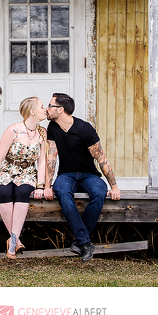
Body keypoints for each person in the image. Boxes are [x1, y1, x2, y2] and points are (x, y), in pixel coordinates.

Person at [43, 93, 121, 262]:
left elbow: (101, 159)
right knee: (62, 192)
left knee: (100, 191)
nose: (46, 109)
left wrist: (114, 186)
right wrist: (47, 186)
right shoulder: (53, 128)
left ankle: (80, 241)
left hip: (88, 175)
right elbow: (51, 158)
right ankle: (85, 243)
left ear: (60, 110)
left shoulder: (85, 129)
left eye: (50, 106)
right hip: (66, 175)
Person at [0, 96, 47, 259]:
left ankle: (12, 241)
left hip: (27, 173)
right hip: (7, 170)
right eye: (41, 107)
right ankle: (15, 240)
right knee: (4, 192)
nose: (45, 109)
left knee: (22, 192)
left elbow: (42, 160)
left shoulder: (42, 133)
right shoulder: (13, 130)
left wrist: (40, 185)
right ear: (32, 111)